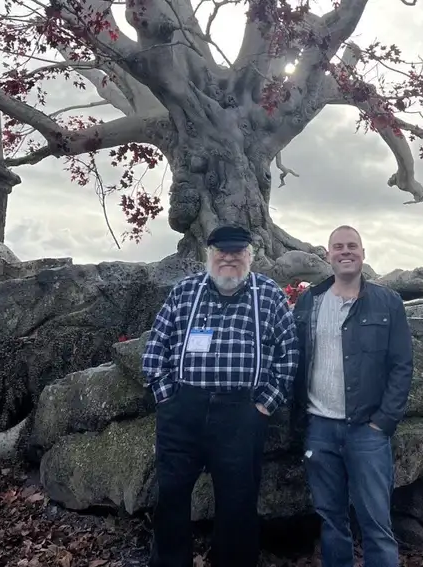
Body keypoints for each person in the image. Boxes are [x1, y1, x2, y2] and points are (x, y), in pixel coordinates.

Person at [141, 225, 299, 567]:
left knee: (238, 502)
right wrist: (167, 398)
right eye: (221, 253)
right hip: (183, 409)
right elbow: (156, 347)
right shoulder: (184, 291)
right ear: (209, 255)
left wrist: (263, 406)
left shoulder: (269, 295)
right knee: (170, 496)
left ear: (249, 256)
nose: (229, 258)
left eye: (237, 253)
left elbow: (289, 356)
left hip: (241, 414)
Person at [291, 225, 414, 567]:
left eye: (352, 246)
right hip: (320, 428)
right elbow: (294, 357)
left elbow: (402, 365)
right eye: (338, 247)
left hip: (368, 431)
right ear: (328, 255)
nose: (345, 252)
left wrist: (383, 422)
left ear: (363, 253)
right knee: (332, 522)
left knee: (376, 523)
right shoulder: (310, 301)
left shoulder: (387, 302)